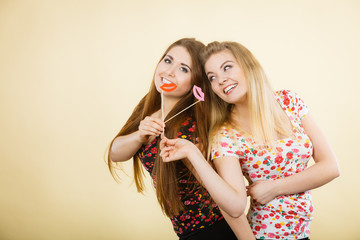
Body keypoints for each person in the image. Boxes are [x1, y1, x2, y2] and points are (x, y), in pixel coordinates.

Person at [160, 41, 340, 240]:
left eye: (227, 67)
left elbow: (331, 167)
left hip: (303, 232)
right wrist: (192, 152)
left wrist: (273, 188)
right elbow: (235, 206)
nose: (220, 80)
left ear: (248, 65)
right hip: (266, 235)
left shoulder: (290, 101)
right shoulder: (225, 134)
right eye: (212, 77)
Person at [108, 38, 239, 240]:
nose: (169, 71)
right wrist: (140, 136)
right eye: (168, 61)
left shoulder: (193, 127)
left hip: (212, 231)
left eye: (183, 69)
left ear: (195, 83)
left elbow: (224, 198)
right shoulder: (148, 107)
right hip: (186, 233)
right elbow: (115, 153)